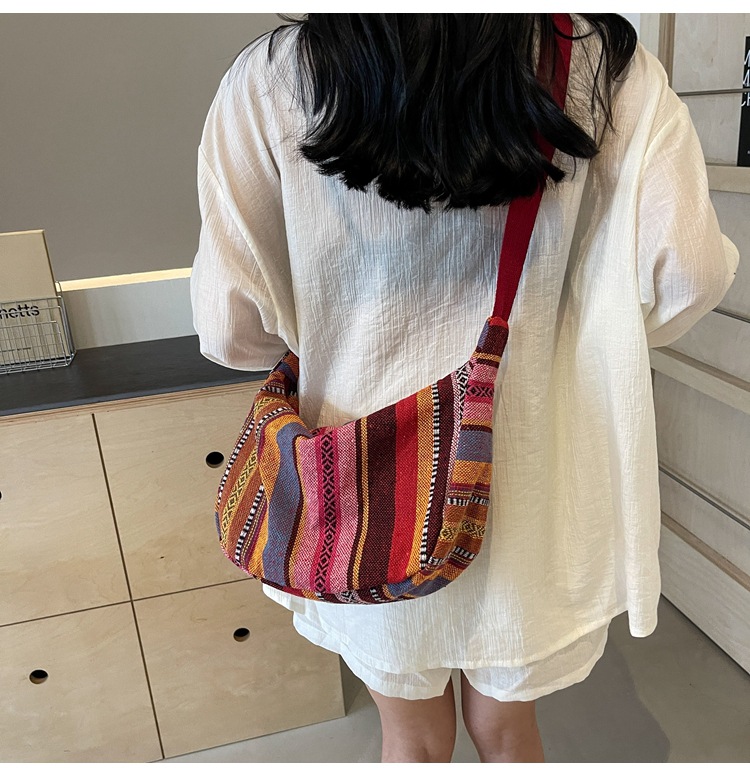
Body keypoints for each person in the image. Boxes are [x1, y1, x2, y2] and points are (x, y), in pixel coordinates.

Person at [189, 14, 739, 763]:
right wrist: (580, 336)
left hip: (364, 489)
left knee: (411, 740)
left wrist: (328, 328)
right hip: (539, 480)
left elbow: (231, 331)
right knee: (509, 733)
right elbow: (690, 278)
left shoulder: (273, 78)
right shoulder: (606, 66)